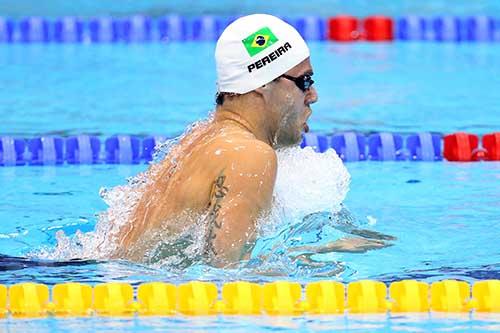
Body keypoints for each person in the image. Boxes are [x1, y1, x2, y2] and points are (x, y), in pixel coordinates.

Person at [111, 14, 391, 267]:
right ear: (262, 83)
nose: (313, 94)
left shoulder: (202, 139)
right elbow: (227, 278)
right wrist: (323, 251)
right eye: (304, 81)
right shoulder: (250, 155)